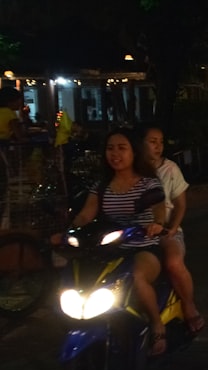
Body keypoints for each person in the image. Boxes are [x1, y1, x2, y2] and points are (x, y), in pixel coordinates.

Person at [68, 129, 169, 356]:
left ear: (134, 152)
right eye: (110, 148)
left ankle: (156, 324)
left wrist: (157, 223)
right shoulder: (101, 185)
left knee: (137, 276)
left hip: (143, 245)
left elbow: (159, 208)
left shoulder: (148, 183)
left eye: (121, 148)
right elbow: (86, 215)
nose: (115, 154)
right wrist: (69, 231)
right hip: (109, 248)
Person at [144, 127, 204, 335]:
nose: (158, 146)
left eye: (160, 141)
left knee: (173, 262)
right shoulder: (134, 171)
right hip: (137, 232)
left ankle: (188, 305)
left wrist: (171, 228)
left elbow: (180, 205)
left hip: (166, 230)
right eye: (153, 141)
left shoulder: (170, 169)